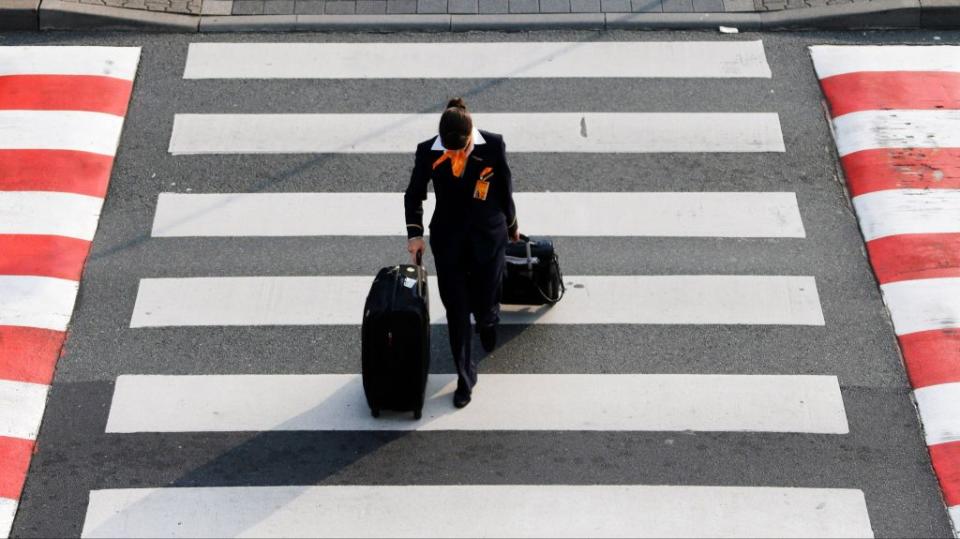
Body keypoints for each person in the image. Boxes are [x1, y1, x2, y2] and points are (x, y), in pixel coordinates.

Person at [404, 97, 520, 409]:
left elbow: (504, 190)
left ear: (470, 135)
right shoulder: (428, 151)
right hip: (449, 240)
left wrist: (512, 226)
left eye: (462, 148)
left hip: (489, 237)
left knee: (485, 302)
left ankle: (489, 319)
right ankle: (465, 378)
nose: (456, 154)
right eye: (451, 149)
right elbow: (414, 195)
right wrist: (415, 234)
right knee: (457, 312)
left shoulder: (492, 146)